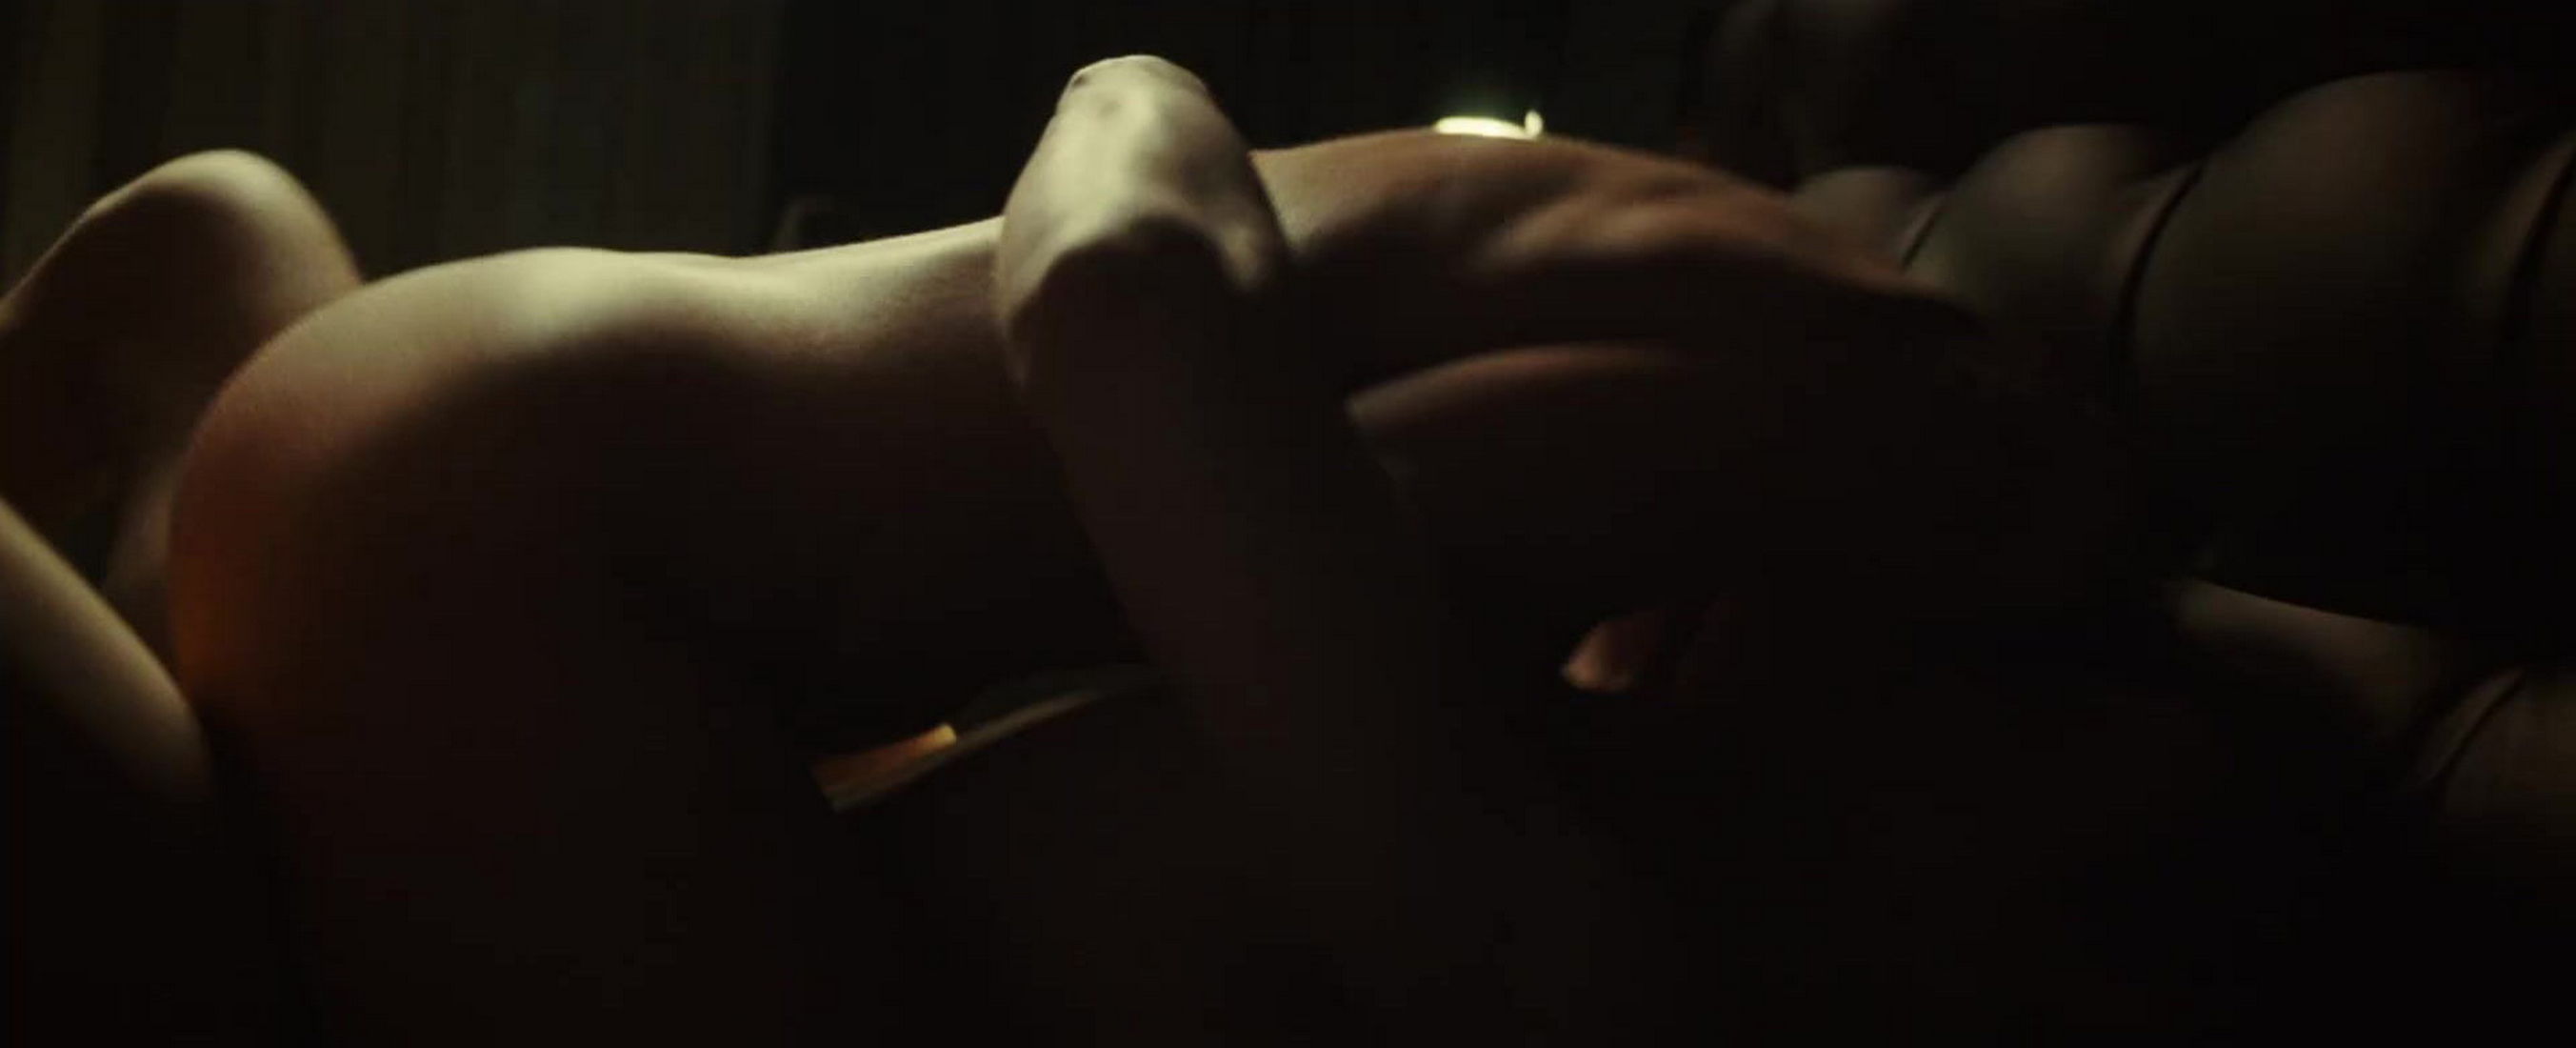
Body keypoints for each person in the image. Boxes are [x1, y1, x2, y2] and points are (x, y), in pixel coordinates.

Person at [3, 57, 2137, 1043]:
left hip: (463, 458)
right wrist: (1470, 916)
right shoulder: (1857, 394)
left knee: (210, 270)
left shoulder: (1552, 299)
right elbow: (1117, 279)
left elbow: (1138, 228)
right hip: (515, 554)